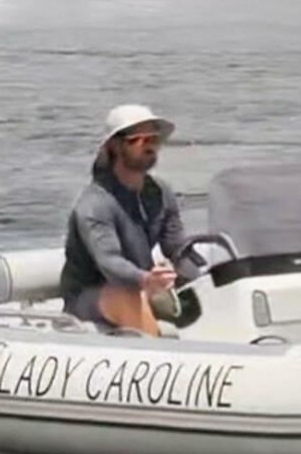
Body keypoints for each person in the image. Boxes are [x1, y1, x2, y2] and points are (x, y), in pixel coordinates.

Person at [60, 104, 202, 335]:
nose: (150, 146)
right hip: (89, 295)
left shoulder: (160, 193)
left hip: (142, 285)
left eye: (154, 139)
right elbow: (109, 262)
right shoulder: (94, 204)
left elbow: (177, 248)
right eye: (140, 140)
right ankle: (157, 353)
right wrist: (146, 279)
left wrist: (203, 275)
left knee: (205, 295)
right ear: (116, 146)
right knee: (128, 296)